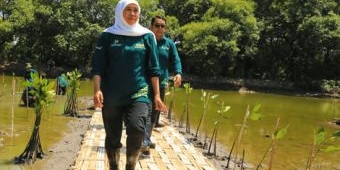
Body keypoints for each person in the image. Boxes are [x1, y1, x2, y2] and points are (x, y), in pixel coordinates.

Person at [91, 1, 167, 170]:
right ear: (119, 12)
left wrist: (156, 95)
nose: (133, 14)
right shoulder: (107, 35)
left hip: (139, 93)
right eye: (128, 10)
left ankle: (130, 165)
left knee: (137, 129)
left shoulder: (147, 36)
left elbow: (153, 69)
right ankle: (113, 166)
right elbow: (98, 67)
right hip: (112, 95)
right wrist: (97, 90)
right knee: (112, 136)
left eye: (135, 10)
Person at [141, 16, 182, 155]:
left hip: (161, 82)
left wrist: (178, 73)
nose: (160, 28)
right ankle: (143, 140)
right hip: (144, 82)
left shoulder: (169, 44)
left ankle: (146, 138)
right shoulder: (144, 40)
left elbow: (176, 60)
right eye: (157, 25)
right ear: (151, 26)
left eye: (163, 26)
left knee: (155, 111)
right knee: (144, 110)